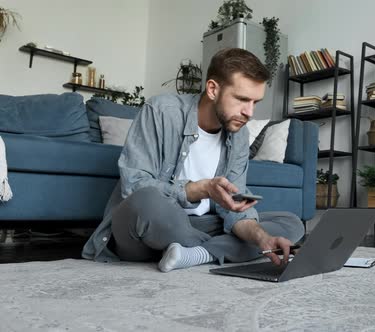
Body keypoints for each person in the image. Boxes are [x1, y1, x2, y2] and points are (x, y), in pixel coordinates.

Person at [82, 48, 304, 272]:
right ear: (212, 89)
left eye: (255, 102)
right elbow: (133, 185)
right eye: (242, 99)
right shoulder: (160, 111)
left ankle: (194, 253)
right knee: (147, 200)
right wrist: (200, 189)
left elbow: (234, 209)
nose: (249, 112)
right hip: (153, 224)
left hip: (202, 224)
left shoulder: (240, 135)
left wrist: (262, 239)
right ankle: (218, 250)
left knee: (290, 223)